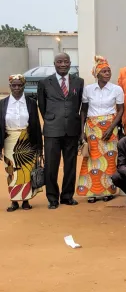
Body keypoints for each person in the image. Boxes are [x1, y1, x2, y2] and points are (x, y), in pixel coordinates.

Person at [37, 52, 84, 209]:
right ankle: (52, 198)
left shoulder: (79, 82)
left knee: (70, 165)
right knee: (51, 166)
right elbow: (42, 106)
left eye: (66, 61)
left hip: (72, 129)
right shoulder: (45, 82)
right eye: (59, 62)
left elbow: (78, 105)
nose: (63, 64)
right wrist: (51, 119)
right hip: (52, 130)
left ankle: (67, 196)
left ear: (70, 63)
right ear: (54, 63)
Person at [77, 56, 125, 203]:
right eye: (104, 71)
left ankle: (108, 191)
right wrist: (82, 131)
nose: (107, 73)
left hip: (110, 126)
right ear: (96, 74)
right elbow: (83, 111)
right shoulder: (88, 90)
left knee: (110, 159)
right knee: (93, 159)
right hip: (92, 128)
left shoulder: (117, 89)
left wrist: (111, 128)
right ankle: (92, 192)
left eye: (109, 71)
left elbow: (121, 110)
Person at [1, 74, 43, 211]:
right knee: (11, 171)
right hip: (9, 142)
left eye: (20, 85)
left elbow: (36, 124)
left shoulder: (30, 102)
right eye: (14, 85)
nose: (17, 88)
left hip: (27, 141)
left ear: (24, 86)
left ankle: (25, 200)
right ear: (10, 86)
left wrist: (39, 147)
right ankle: (14, 201)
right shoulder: (3, 104)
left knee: (26, 171)